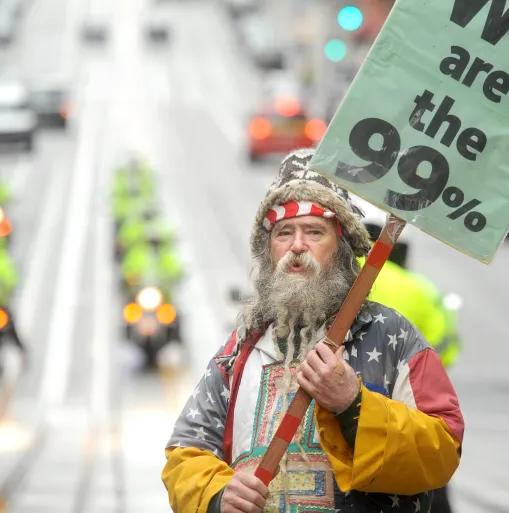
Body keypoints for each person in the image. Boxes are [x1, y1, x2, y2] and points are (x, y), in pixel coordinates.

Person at [162, 149, 464, 513]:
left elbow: (442, 451)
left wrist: (353, 405)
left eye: (314, 232)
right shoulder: (241, 348)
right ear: (267, 252)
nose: (297, 247)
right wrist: (217, 495)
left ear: (341, 248)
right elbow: (185, 452)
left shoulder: (391, 336)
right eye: (284, 233)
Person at [360, 210, 461, 513]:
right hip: (410, 395)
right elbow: (447, 344)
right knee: (425, 471)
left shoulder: (348, 275)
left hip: (351, 392)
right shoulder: (421, 289)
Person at [120, 231, 184, 299]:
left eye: (156, 242)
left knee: (170, 305)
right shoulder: (137, 252)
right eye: (151, 242)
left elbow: (174, 269)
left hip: (161, 290)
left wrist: (177, 276)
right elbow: (128, 266)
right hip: (140, 289)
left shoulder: (165, 255)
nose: (153, 244)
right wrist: (131, 277)